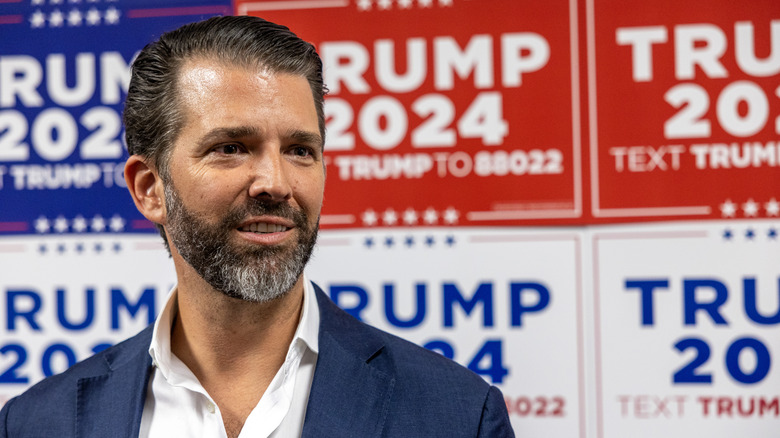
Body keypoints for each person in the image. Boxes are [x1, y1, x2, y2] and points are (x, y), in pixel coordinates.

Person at [0, 16, 514, 438]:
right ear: (149, 188)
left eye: (299, 150)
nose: (276, 182)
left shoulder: (459, 416)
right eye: (230, 148)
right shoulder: (37, 423)